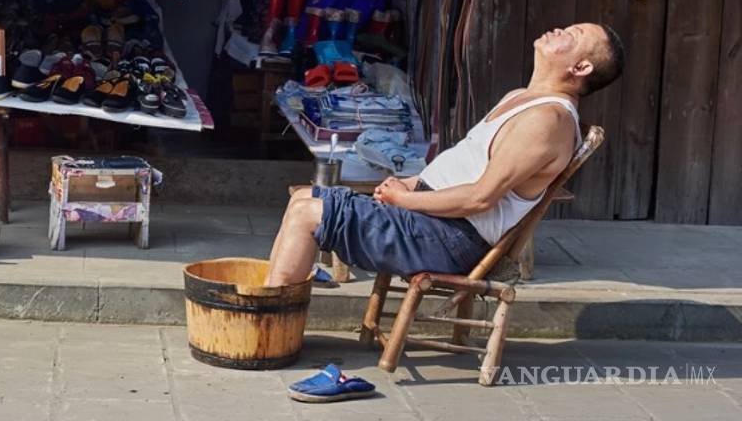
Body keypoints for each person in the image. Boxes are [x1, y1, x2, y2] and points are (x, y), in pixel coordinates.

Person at [265, 23, 625, 287]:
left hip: (448, 237)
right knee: (304, 197)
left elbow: (480, 197)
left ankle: (268, 322)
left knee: (307, 214)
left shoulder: (549, 119)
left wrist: (405, 202)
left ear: (581, 68)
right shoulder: (521, 97)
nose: (559, 30)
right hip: (432, 220)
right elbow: (462, 165)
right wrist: (408, 183)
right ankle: (273, 307)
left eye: (573, 36)